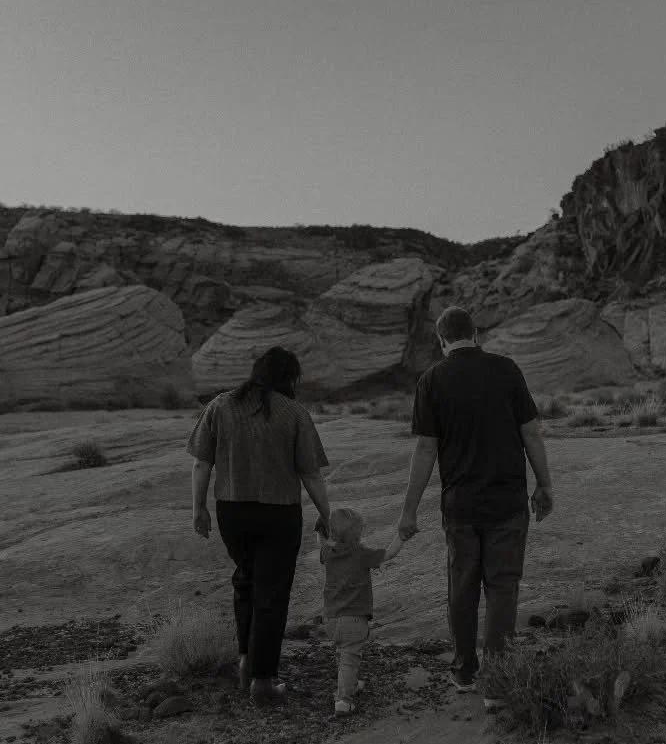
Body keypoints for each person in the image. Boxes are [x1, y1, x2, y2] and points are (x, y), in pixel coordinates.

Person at [397, 306, 554, 700]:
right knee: (502, 586)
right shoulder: (506, 370)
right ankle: (498, 681)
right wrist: (544, 484)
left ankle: (465, 671)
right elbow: (531, 433)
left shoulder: (432, 380)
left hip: (461, 505)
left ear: (441, 339)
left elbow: (425, 449)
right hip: (507, 500)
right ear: (476, 333)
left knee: (462, 587)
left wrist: (409, 509)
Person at [187, 346, 332, 706]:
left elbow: (201, 464)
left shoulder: (220, 406)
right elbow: (309, 473)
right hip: (278, 513)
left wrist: (198, 509)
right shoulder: (295, 413)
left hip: (231, 511)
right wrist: (327, 514)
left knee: (246, 579)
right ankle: (263, 681)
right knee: (272, 591)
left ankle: (244, 663)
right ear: (290, 378)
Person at [317, 506, 405, 716]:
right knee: (349, 657)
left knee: (345, 654)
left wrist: (318, 531)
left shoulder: (328, 553)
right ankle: (343, 700)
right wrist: (402, 536)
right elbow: (389, 554)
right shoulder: (361, 554)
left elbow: (320, 544)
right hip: (354, 620)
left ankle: (351, 684)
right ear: (358, 535)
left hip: (331, 619)